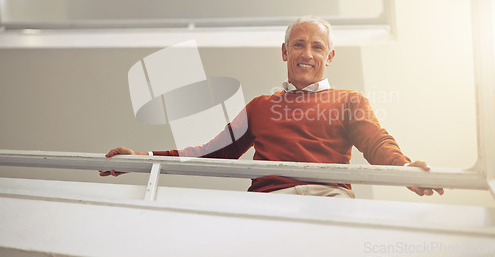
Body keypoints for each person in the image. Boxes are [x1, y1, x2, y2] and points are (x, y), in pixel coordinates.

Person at [101, 16, 444, 198]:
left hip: (327, 200)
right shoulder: (261, 106)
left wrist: (403, 170)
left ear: (330, 57)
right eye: (299, 44)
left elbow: (376, 143)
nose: (307, 53)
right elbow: (210, 153)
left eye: (317, 46)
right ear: (284, 52)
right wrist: (141, 161)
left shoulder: (349, 100)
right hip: (268, 203)